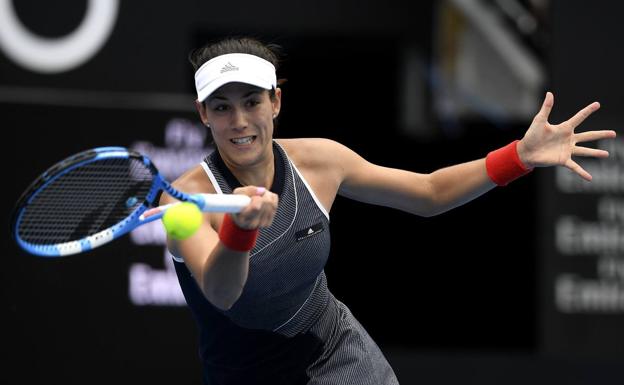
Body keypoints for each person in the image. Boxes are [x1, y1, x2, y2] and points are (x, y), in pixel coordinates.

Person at [160, 37, 616, 384]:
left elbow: (429, 192)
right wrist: (241, 231)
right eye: (222, 107)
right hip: (246, 374)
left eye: (252, 101)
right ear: (203, 114)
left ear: (275, 101)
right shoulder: (184, 201)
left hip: (335, 348)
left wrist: (518, 156)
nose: (239, 121)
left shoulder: (321, 161)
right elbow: (222, 293)